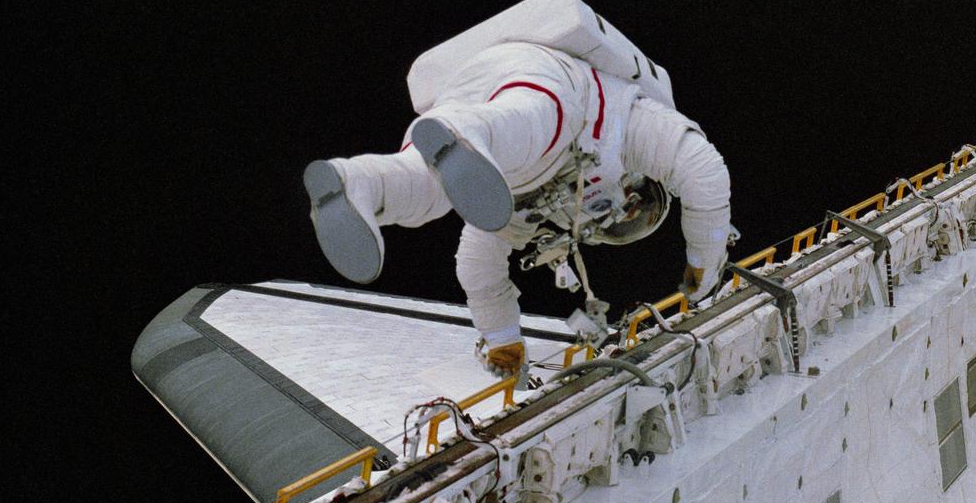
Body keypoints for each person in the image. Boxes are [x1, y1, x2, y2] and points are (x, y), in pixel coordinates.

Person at [304, 31, 731, 377]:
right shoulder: (634, 127)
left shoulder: (526, 217)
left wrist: (504, 343)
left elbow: (477, 270)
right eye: (634, 214)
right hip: (540, 80)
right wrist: (703, 264)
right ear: (638, 189)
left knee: (425, 183)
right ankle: (464, 131)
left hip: (464, 95)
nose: (614, 221)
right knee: (523, 124)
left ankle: (360, 183)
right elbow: (704, 172)